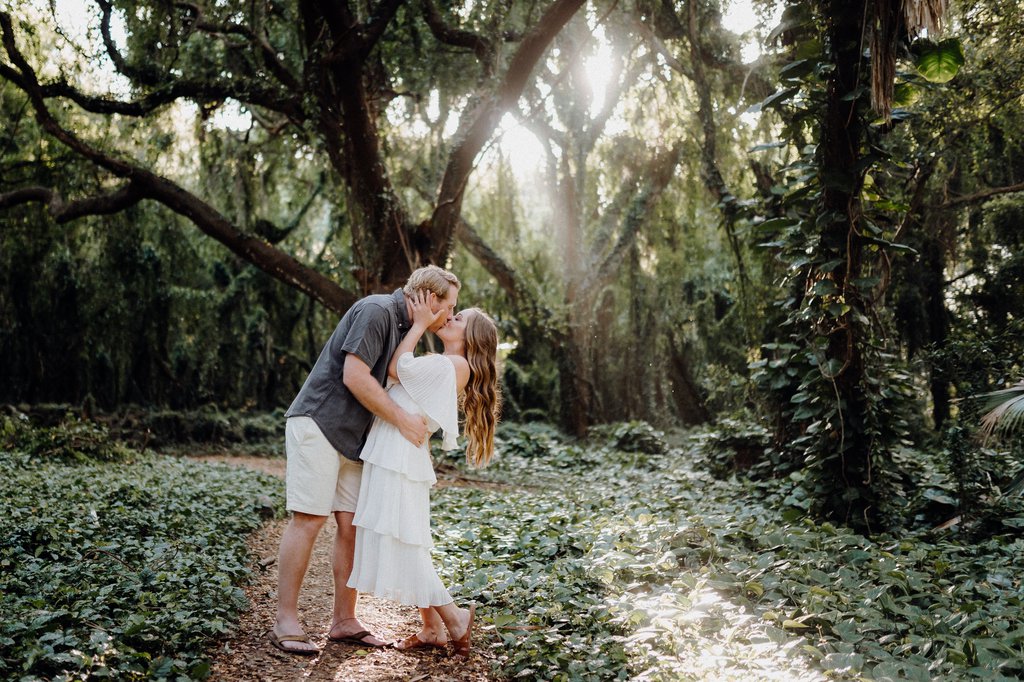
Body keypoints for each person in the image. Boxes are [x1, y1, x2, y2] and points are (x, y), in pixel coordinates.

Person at [269, 266, 460, 656]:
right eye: (450, 306)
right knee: (309, 519)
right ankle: (285, 620)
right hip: (320, 423)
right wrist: (402, 420)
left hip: (355, 440)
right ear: (429, 299)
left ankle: (344, 620)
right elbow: (354, 376)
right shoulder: (376, 311)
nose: (450, 315)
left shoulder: (408, 330)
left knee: (353, 526)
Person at [346, 293, 500, 657]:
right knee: (406, 538)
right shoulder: (445, 363)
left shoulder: (455, 365)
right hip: (396, 451)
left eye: (459, 318)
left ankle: (455, 619)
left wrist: (417, 325)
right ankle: (432, 627)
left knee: (404, 541)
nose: (450, 317)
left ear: (471, 337)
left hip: (398, 455)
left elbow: (396, 370)